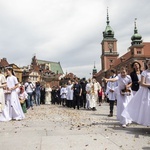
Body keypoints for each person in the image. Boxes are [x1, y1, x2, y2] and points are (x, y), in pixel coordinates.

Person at [122, 60, 150, 126]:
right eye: (149, 64)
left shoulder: (142, 72)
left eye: (137, 64)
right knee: (138, 104)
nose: (136, 66)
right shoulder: (141, 73)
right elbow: (133, 82)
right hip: (140, 90)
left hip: (142, 90)